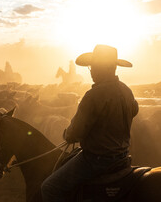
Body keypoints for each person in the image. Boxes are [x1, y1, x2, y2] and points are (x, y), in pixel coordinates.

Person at [41, 44, 139, 201]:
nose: (91, 71)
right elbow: (134, 111)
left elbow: (75, 133)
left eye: (93, 67)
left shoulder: (93, 95)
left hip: (97, 160)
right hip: (122, 156)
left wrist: (67, 133)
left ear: (103, 68)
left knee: (49, 187)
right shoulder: (127, 90)